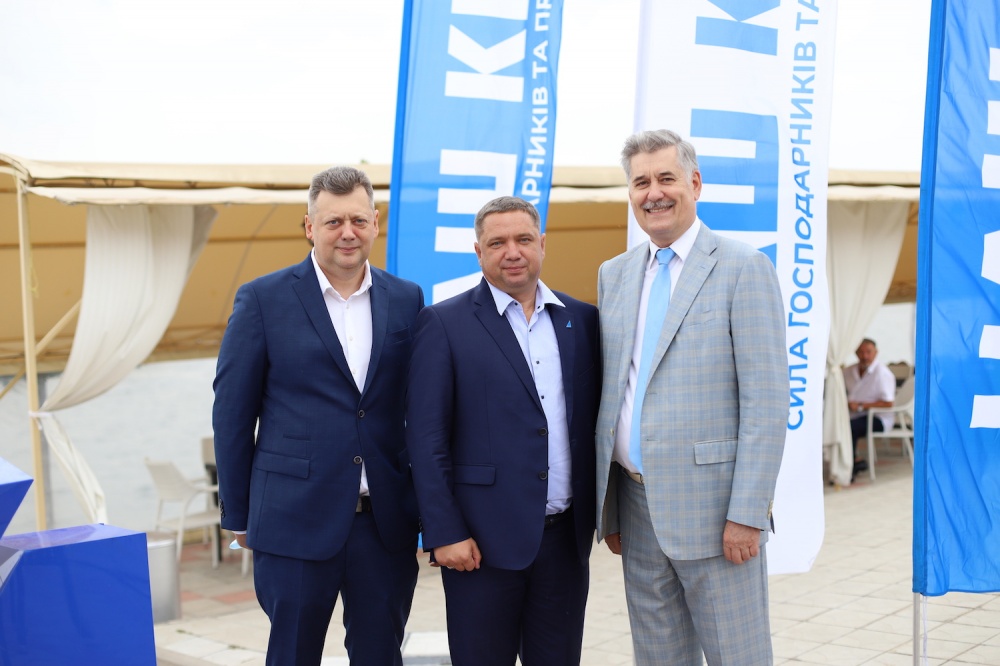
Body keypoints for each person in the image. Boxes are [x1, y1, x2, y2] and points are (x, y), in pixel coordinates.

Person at [212, 166, 423, 665]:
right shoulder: (262, 299)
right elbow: (233, 413)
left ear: (375, 223)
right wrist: (237, 513)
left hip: (384, 524)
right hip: (293, 521)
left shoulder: (407, 298)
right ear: (310, 227)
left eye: (358, 220)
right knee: (292, 655)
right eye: (333, 222)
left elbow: (420, 409)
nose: (347, 232)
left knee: (381, 656)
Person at [595, 129, 788, 665]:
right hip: (636, 512)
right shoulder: (614, 275)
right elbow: (615, 391)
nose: (653, 193)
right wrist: (611, 510)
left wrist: (747, 513)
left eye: (666, 178)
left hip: (717, 515)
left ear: (695, 183)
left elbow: (767, 403)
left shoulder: (743, 268)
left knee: (739, 657)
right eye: (641, 183)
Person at [406, 196, 600, 666]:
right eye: (497, 243)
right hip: (479, 547)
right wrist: (444, 533)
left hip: (564, 545)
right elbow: (426, 440)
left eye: (523, 239)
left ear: (542, 244)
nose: (512, 252)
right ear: (479, 252)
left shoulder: (582, 320)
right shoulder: (443, 323)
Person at [843, 338, 896, 478]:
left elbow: (888, 403)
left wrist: (861, 406)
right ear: (855, 353)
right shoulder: (849, 371)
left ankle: (851, 463)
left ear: (876, 352)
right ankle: (847, 460)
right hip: (854, 414)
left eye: (868, 352)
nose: (865, 356)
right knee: (838, 424)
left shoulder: (883, 373)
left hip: (878, 418)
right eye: (861, 352)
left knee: (850, 427)